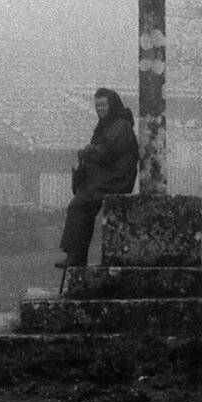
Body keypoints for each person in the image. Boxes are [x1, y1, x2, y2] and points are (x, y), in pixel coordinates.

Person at [56, 87, 139, 269]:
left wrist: (88, 152)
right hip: (108, 177)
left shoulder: (120, 125)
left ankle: (75, 256)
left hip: (117, 179)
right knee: (82, 207)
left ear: (112, 105)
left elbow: (106, 152)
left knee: (79, 205)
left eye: (103, 105)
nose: (100, 109)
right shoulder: (109, 125)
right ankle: (75, 256)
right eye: (97, 106)